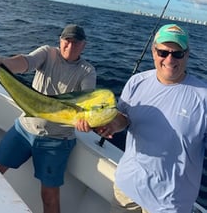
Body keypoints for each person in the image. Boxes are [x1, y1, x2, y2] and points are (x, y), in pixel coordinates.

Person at [77, 23, 207, 213]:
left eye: (177, 53)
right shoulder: (137, 82)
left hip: (170, 205)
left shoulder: (203, 96)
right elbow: (124, 117)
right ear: (154, 52)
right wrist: (111, 125)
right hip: (126, 189)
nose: (169, 59)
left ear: (187, 54)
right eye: (163, 52)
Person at [0, 24, 96, 213]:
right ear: (60, 40)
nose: (70, 45)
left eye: (76, 42)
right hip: (23, 130)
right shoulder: (47, 53)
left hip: (57, 141)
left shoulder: (87, 71)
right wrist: (2, 64)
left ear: (84, 45)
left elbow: (86, 99)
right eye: (67, 41)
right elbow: (26, 62)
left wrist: (87, 119)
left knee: (49, 196)